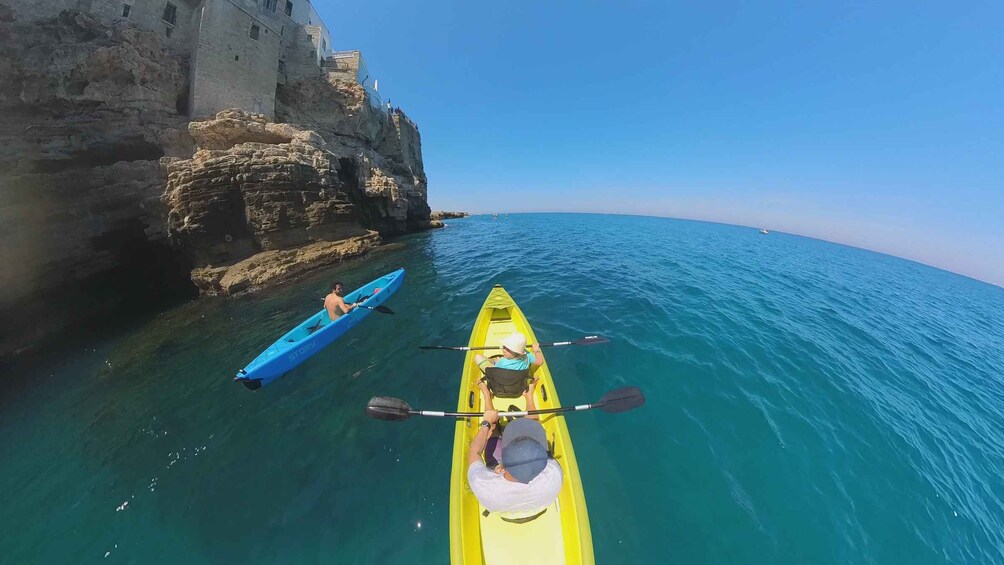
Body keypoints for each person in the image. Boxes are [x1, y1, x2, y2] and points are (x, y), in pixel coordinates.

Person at [467, 410, 563, 520]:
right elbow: (548, 459)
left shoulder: (482, 484)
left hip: (505, 515)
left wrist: (487, 423)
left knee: (493, 441)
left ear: (503, 465)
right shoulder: (554, 473)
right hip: (537, 510)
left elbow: (475, 452)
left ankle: (493, 420)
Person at [475, 332, 544, 409]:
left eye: (508, 349)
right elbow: (540, 362)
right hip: (518, 391)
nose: (504, 350)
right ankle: (494, 360)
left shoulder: (502, 361)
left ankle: (492, 360)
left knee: (478, 357)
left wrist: (498, 361)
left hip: (498, 388)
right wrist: (536, 350)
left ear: (516, 352)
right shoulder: (527, 356)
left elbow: (494, 370)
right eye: (504, 346)